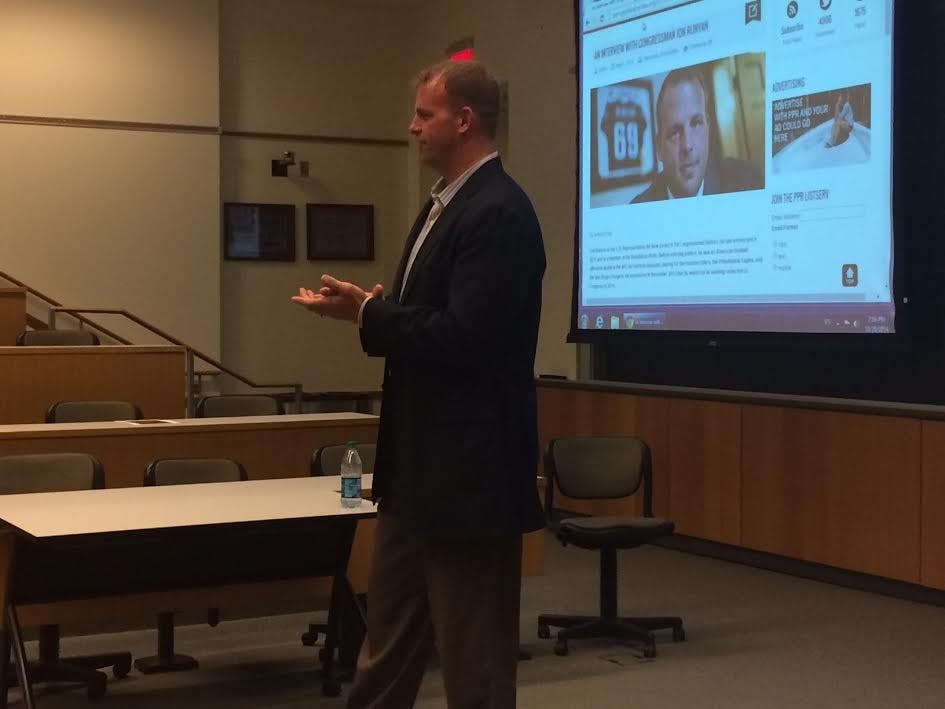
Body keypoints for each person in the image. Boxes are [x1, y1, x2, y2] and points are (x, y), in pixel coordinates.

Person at [291, 60, 546, 709]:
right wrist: (372, 307)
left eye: (424, 114)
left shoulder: (499, 213)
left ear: (464, 120)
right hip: (415, 475)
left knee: (474, 666)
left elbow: (465, 338)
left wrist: (372, 315)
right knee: (385, 649)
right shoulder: (443, 206)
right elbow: (431, 318)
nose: (411, 127)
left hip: (469, 481)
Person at [632, 67, 762, 203]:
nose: (687, 145)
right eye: (674, 132)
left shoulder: (748, 183)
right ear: (659, 148)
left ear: (708, 128)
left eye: (696, 123)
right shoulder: (638, 209)